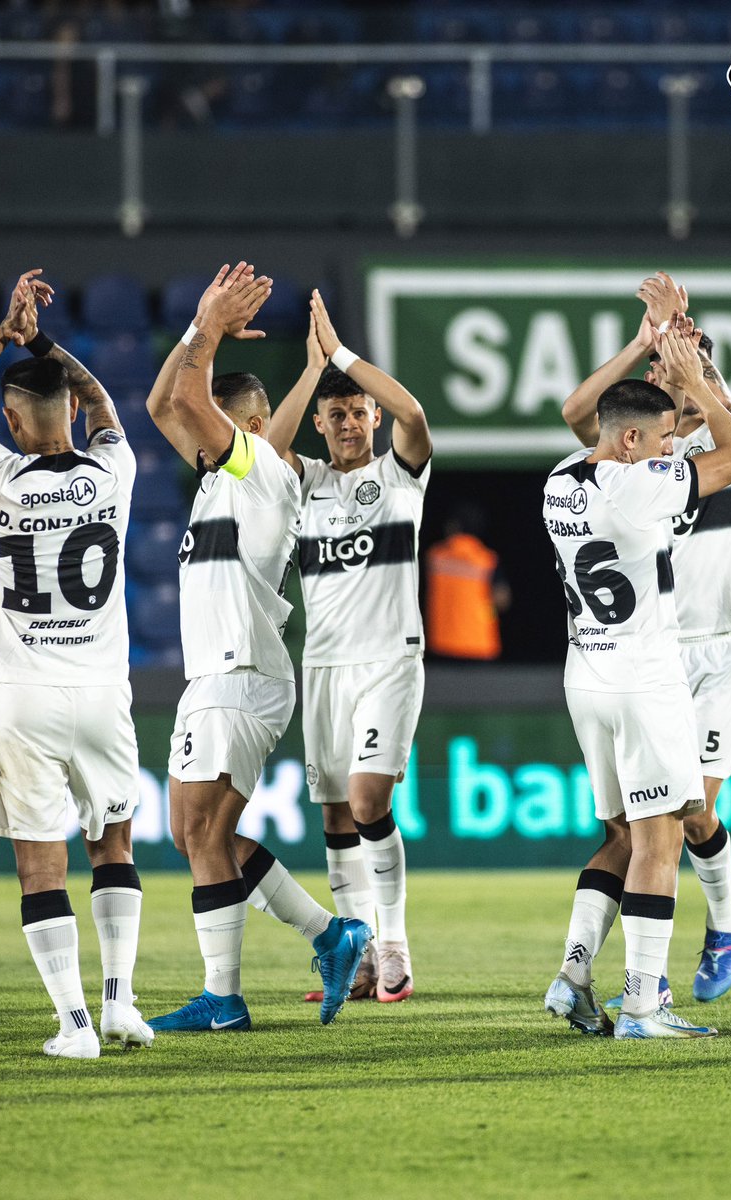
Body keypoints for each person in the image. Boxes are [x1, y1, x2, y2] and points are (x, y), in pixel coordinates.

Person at [0, 268, 152, 1059]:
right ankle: (121, 1003)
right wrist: (45, 341)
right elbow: (106, 408)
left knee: (39, 865)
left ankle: (75, 1026)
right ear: (68, 417)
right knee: (114, 846)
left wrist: (2, 331)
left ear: (16, 421)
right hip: (102, 691)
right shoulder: (112, 473)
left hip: (23, 695)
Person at [143, 263, 372, 1032]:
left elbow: (181, 399)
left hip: (242, 673)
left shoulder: (258, 472)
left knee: (207, 834)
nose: (194, 437)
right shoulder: (220, 479)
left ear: (235, 428)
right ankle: (330, 932)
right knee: (194, 835)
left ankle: (225, 998)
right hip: (213, 675)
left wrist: (207, 325)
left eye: (214, 426)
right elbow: (161, 403)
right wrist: (194, 335)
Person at [543, 320, 731, 1039]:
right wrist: (687, 382)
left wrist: (654, 361)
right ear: (634, 439)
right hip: (646, 675)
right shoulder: (645, 486)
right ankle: (642, 1003)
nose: (671, 445)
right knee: (662, 838)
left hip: (586, 676)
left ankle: (575, 972)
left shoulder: (560, 480)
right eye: (660, 437)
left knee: (627, 836)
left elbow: (590, 423)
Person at [268, 289, 432, 1004]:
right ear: (321, 422)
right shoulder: (302, 483)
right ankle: (359, 951)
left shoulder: (400, 477)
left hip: (391, 660)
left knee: (369, 802)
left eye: (357, 412)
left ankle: (393, 944)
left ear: (372, 417)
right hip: (326, 666)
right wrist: (311, 372)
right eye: (333, 415)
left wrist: (340, 357)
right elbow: (265, 449)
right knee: (336, 814)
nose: (346, 424)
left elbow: (418, 416)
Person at [425, 504, 511, 661]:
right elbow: (502, 600)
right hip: (479, 644)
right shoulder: (488, 560)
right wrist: (486, 610)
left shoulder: (434, 557)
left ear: (453, 526)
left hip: (441, 644)